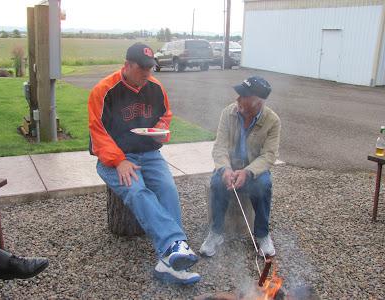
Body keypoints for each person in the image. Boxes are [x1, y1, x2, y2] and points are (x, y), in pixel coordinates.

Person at [88, 42, 200, 285]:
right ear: (127, 65)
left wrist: (160, 131)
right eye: (143, 69)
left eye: (151, 68)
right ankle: (173, 247)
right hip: (115, 159)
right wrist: (118, 161)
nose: (148, 74)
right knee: (138, 191)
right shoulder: (104, 90)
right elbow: (97, 132)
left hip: (149, 154)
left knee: (168, 189)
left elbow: (165, 116)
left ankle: (170, 258)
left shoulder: (156, 87)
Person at [199, 76, 280, 258]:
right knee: (218, 183)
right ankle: (216, 232)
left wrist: (248, 172)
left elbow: (269, 156)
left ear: (257, 102)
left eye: (243, 95)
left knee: (263, 185)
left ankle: (262, 234)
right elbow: (219, 147)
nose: (237, 99)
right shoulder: (228, 112)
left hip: (254, 171)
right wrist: (225, 169)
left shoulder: (272, 121)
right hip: (230, 167)